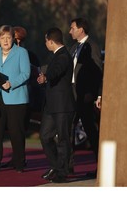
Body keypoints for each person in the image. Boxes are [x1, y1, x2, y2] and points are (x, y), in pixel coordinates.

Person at [0, 25, 30, 173]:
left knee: (16, 132)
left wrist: (12, 83)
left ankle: (19, 164)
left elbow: (26, 73)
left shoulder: (21, 52)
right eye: (2, 38)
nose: (5, 40)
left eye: (8, 38)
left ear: (13, 39)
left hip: (16, 98)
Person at [37, 27, 75, 183]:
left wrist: (46, 77)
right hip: (51, 106)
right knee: (45, 136)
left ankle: (62, 172)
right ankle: (56, 165)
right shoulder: (54, 55)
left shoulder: (63, 55)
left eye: (46, 40)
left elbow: (56, 72)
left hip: (63, 106)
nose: (45, 43)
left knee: (63, 139)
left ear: (50, 41)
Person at [69, 18, 103, 178]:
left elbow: (98, 71)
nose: (70, 31)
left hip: (85, 96)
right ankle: (67, 167)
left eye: (72, 28)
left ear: (81, 29)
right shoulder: (74, 47)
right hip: (72, 93)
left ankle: (101, 168)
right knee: (68, 129)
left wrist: (98, 94)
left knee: (91, 131)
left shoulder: (92, 46)